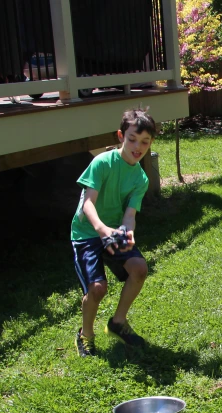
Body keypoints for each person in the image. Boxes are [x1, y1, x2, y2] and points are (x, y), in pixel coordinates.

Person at [70, 108, 155, 357]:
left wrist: (127, 232)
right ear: (120, 136)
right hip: (87, 232)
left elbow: (129, 215)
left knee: (139, 268)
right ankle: (85, 335)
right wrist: (102, 229)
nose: (137, 147)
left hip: (112, 232)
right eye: (132, 139)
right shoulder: (102, 163)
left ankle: (117, 323)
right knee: (97, 289)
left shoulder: (141, 178)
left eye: (144, 142)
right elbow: (87, 204)